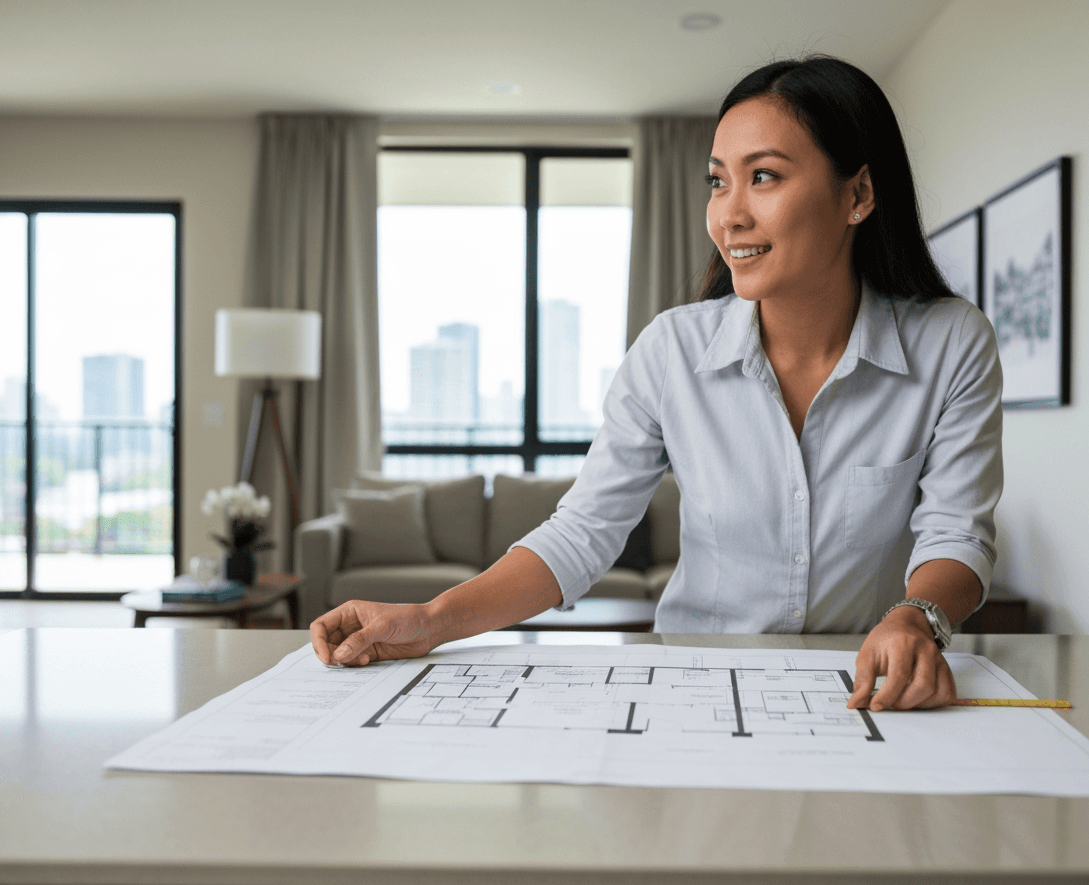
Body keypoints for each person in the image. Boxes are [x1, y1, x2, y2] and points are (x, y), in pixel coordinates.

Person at [311, 56, 1002, 713]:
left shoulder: (951, 342)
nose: (729, 213)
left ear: (858, 194)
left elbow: (956, 533)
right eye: (718, 180)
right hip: (696, 687)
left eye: (763, 176)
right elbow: (584, 532)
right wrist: (429, 620)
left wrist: (917, 618)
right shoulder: (672, 350)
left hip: (869, 690)